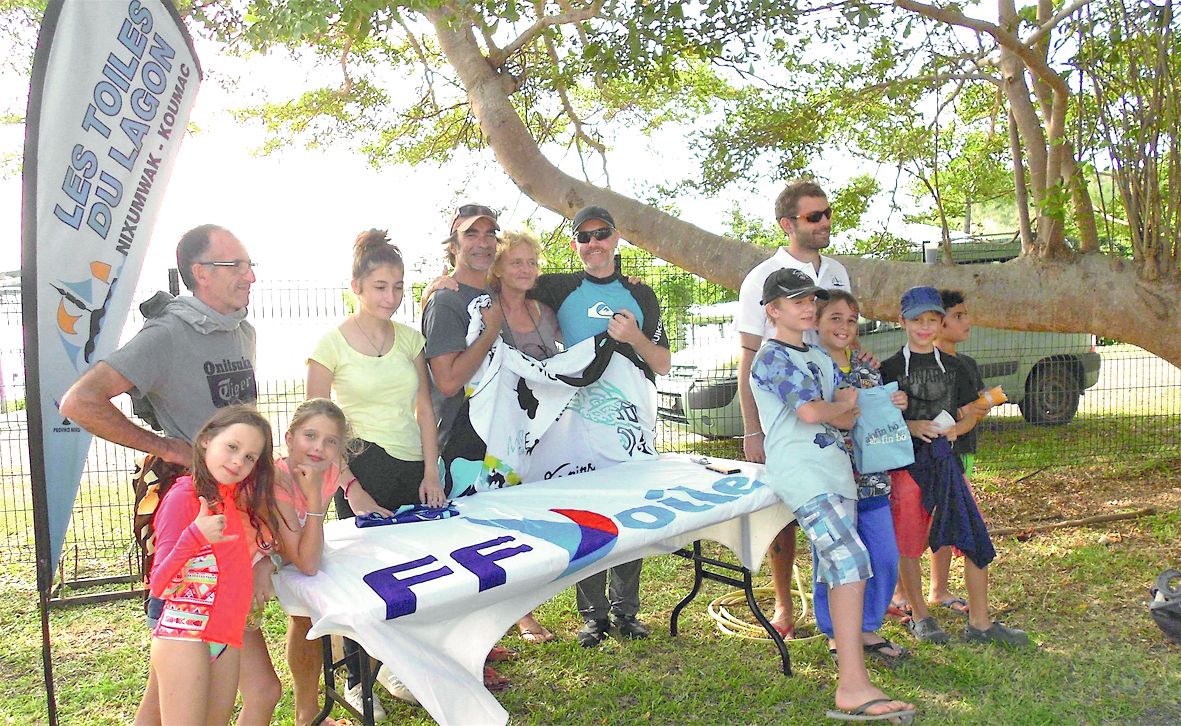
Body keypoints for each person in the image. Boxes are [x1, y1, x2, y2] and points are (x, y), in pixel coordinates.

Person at [58, 224, 276, 725]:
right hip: (189, 513)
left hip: (234, 518)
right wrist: (169, 448)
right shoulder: (168, 334)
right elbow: (80, 402)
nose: (250, 276)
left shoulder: (243, 330)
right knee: (190, 675)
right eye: (235, 266)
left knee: (173, 692)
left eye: (248, 264)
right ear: (199, 273)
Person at [749, 268, 914, 723]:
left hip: (836, 473)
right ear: (773, 311)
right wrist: (839, 409)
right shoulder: (771, 357)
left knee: (848, 564)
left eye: (809, 299)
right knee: (849, 562)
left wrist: (841, 408)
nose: (806, 306)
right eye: (795, 300)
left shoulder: (817, 357)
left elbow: (844, 409)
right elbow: (814, 411)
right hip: (804, 475)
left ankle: (853, 674)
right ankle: (852, 685)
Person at [308, 229, 446, 715]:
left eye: (398, 286)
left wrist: (432, 470)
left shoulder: (412, 339)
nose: (391, 296)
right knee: (363, 582)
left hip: (414, 468)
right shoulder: (330, 345)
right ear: (357, 287)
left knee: (415, 575)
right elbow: (315, 427)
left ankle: (394, 669)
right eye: (381, 286)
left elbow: (425, 410)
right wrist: (351, 487)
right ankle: (355, 680)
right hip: (362, 470)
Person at [528, 204, 671, 648]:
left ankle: (627, 612)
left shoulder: (641, 295)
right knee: (586, 513)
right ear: (576, 245)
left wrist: (635, 339)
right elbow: (503, 280)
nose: (594, 243)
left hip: (629, 422)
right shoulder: (560, 286)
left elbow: (663, 363)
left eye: (601, 234)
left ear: (616, 239)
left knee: (629, 511)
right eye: (584, 237)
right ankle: (594, 617)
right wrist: (445, 281)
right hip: (578, 423)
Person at [879, 286, 1029, 647]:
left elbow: (972, 410)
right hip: (908, 468)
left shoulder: (958, 367)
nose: (925, 327)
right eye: (917, 320)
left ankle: (980, 622)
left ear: (940, 322)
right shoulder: (889, 369)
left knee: (974, 536)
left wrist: (956, 430)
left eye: (932, 320)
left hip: (948, 465)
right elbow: (875, 423)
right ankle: (920, 614)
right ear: (902, 322)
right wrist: (910, 426)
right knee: (909, 543)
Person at [735, 180, 850, 638]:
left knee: (840, 510)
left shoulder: (838, 271)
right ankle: (784, 607)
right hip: (788, 418)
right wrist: (752, 431)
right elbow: (748, 354)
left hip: (833, 410)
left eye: (827, 213)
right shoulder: (761, 278)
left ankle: (837, 610)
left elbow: (843, 337)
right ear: (787, 224)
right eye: (813, 216)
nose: (825, 223)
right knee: (787, 514)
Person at [146, 406, 280, 726]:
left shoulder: (229, 501)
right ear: (206, 440)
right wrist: (195, 535)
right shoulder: (184, 496)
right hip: (186, 636)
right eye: (232, 447)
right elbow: (160, 584)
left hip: (225, 637)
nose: (238, 461)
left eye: (250, 457)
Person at [811, 291, 909, 667]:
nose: (844, 327)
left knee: (883, 556)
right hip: (831, 484)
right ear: (816, 322)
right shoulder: (812, 367)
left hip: (872, 482)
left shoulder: (868, 367)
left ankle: (866, 625)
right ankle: (837, 632)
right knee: (833, 560)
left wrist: (896, 403)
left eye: (851, 320)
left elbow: (880, 416)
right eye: (835, 318)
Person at [262, 399, 359, 726]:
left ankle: (312, 712)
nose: (319, 448)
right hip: (258, 562)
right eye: (310, 436)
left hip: (299, 549)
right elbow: (303, 562)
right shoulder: (278, 480)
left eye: (330, 441)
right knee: (303, 618)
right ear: (289, 439)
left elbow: (308, 545)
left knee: (312, 615)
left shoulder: (328, 470)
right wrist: (315, 496)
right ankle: (305, 713)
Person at [926, 289, 994, 617]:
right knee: (927, 525)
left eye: (966, 314)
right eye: (958, 316)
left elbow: (976, 406)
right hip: (936, 458)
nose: (966, 321)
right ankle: (903, 593)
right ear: (937, 324)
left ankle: (938, 589)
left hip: (962, 454)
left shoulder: (967, 364)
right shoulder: (926, 364)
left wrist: (984, 405)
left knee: (945, 521)